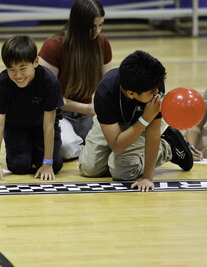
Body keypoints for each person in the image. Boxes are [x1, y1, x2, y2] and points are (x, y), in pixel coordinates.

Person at [78, 50, 193, 192]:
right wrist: (145, 119)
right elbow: (117, 146)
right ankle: (119, 159)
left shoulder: (154, 84)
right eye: (152, 92)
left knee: (122, 173)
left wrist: (147, 178)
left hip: (145, 122)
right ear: (131, 93)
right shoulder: (105, 92)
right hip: (120, 122)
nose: (157, 92)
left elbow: (152, 133)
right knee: (89, 169)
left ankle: (168, 145)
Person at [0, 35, 64, 182]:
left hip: (42, 127)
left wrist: (47, 163)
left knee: (55, 165)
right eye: (11, 69)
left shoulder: (49, 81)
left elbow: (49, 124)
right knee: (18, 166)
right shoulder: (2, 82)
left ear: (36, 62)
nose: (18, 75)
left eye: (23, 68)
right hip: (16, 128)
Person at [38, 0, 112, 160]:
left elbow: (109, 85)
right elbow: (45, 97)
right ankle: (90, 151)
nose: (97, 31)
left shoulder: (102, 44)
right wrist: (85, 108)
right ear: (78, 24)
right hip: (59, 114)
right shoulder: (53, 46)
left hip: (88, 114)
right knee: (65, 148)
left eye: (101, 25)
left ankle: (89, 148)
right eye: (93, 26)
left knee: (115, 138)